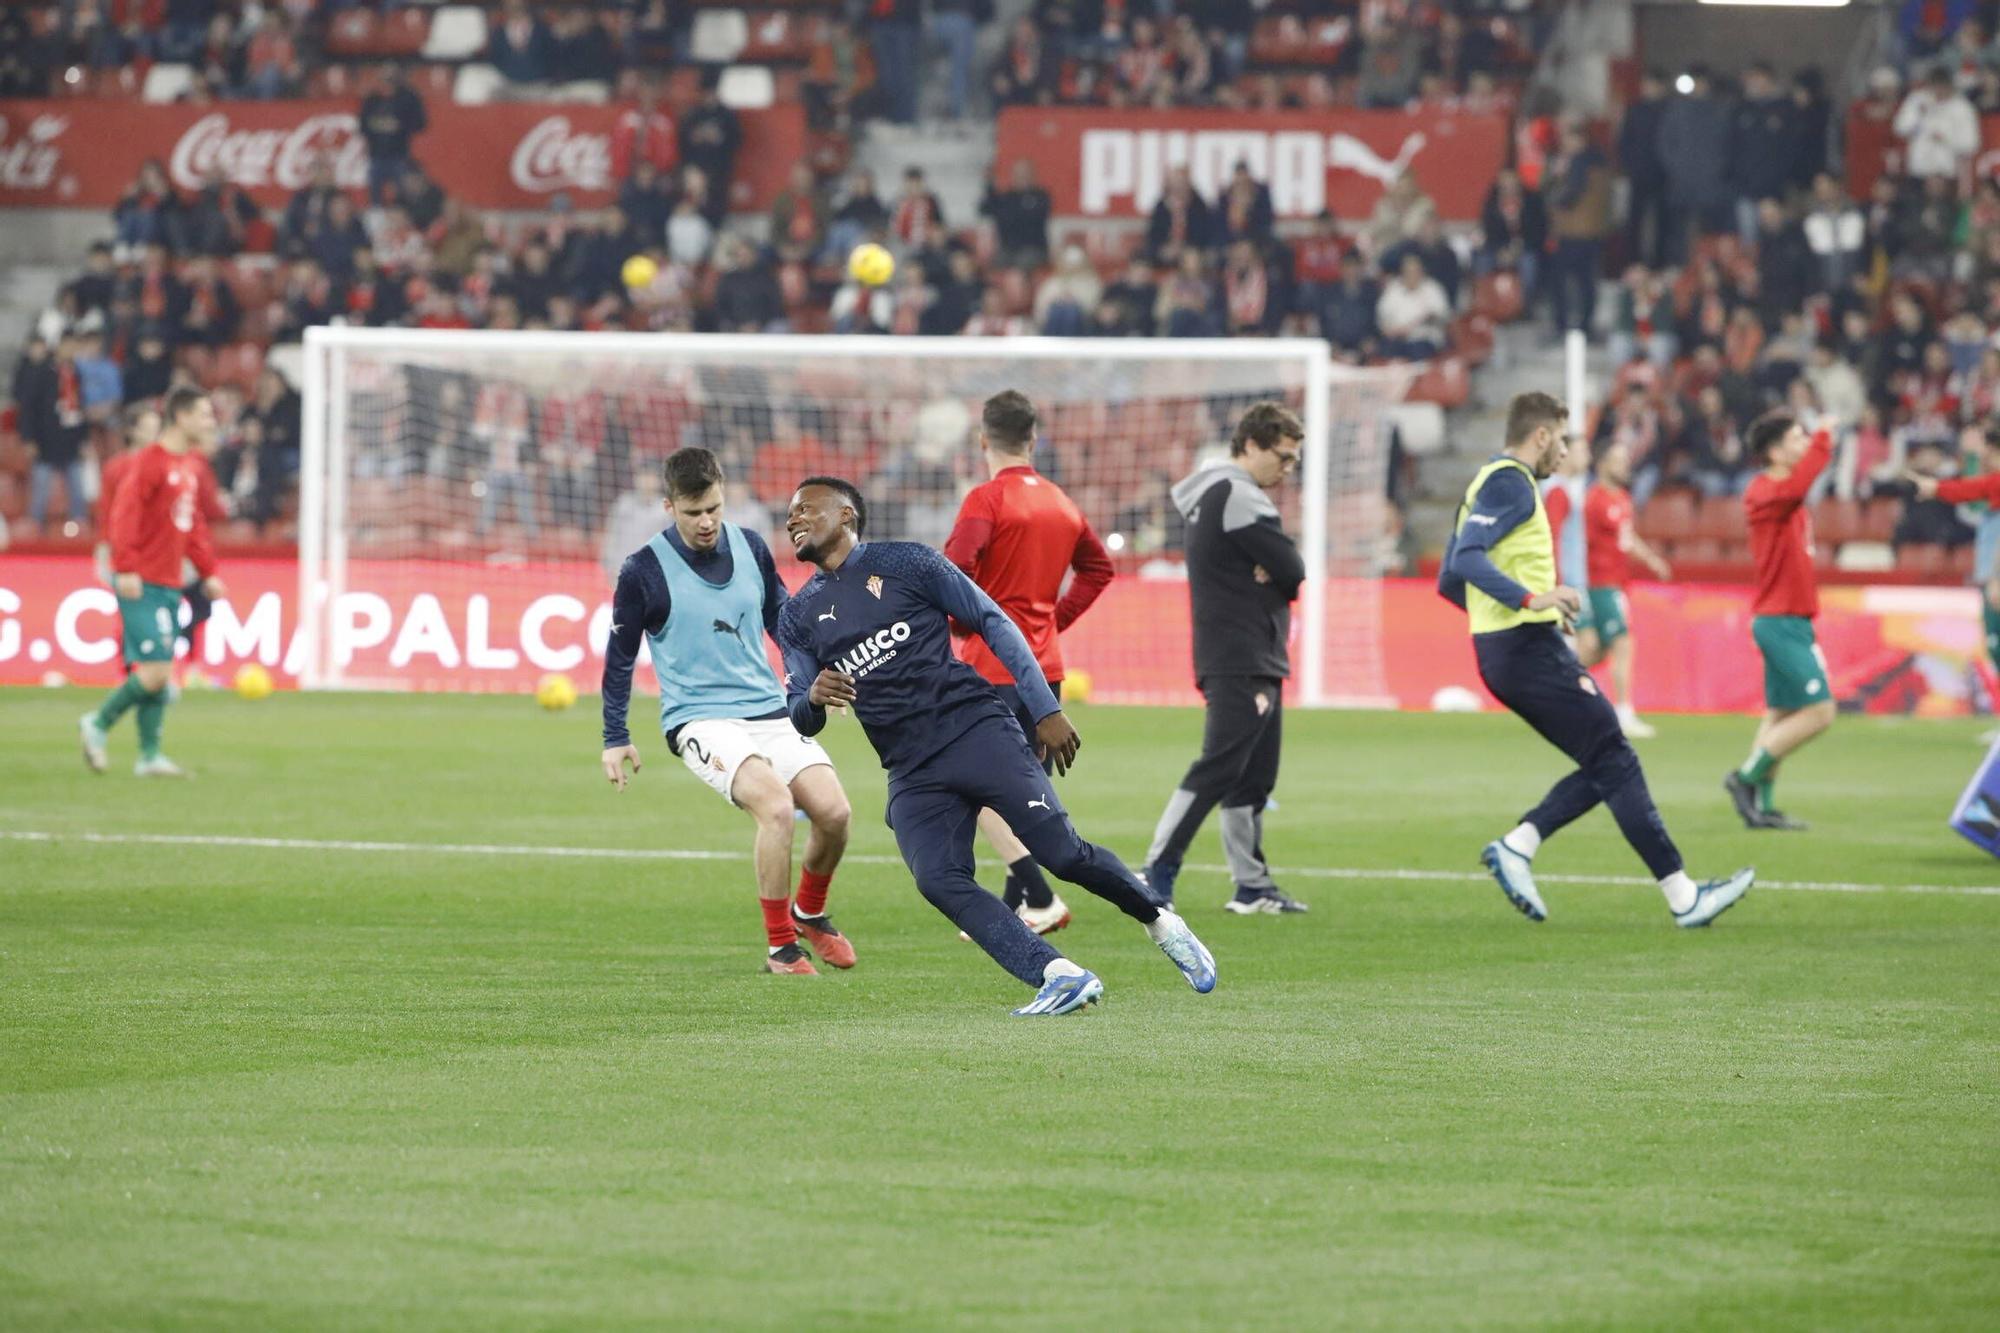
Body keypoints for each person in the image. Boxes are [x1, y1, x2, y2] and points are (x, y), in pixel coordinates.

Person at [775, 477, 1215, 1017]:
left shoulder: (908, 562)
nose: (793, 519)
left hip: (976, 730)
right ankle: (1057, 974)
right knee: (937, 879)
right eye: (789, 513)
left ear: (846, 514)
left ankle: (1160, 921)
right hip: (912, 769)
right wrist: (815, 696)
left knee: (1062, 856)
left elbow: (991, 620)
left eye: (805, 509)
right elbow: (800, 712)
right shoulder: (797, 615)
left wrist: (1044, 708)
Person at [1440, 391, 1752, 927]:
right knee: (1617, 758)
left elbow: (1450, 577)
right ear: (1539, 436)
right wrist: (1530, 601)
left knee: (1607, 760)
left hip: (1510, 648)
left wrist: (1522, 610)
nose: (1563, 452)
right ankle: (1682, 896)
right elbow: (1466, 561)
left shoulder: (1488, 482)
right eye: (1560, 439)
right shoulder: (1511, 483)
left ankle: (1519, 846)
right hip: (1524, 650)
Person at [600, 448, 858, 976]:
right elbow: (620, 658)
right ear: (670, 506)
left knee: (834, 814)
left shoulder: (751, 546)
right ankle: (782, 948)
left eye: (714, 507)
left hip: (768, 709)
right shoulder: (643, 571)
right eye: (694, 512)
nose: (707, 521)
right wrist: (615, 735)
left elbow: (783, 623)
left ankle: (809, 912)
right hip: (700, 719)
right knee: (778, 808)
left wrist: (814, 681)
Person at [942, 391, 1115, 936]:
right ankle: (1022, 904)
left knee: (977, 784)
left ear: (983, 439)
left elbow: (952, 572)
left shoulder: (986, 500)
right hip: (1045, 669)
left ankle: (1039, 896)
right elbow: (1099, 569)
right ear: (1034, 439)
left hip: (991, 666)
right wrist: (1053, 620)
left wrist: (963, 625)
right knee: (1026, 788)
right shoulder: (1062, 502)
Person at [1141, 403, 1309, 915]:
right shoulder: (1237, 492)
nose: (1287, 469)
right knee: (1219, 767)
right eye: (1282, 457)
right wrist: (1274, 568)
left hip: (1246, 651)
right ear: (1251, 445)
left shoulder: (1213, 493)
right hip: (1241, 652)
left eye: (1294, 461)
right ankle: (1156, 870)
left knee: (1251, 776)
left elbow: (1279, 569)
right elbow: (1292, 569)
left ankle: (1252, 886)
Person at [80, 386, 227, 779]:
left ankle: (149, 756)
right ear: (180, 417)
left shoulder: (187, 467)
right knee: (157, 671)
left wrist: (208, 571)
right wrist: (124, 566)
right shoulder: (149, 463)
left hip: (168, 578)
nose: (210, 423)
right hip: (140, 578)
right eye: (204, 415)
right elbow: (123, 515)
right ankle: (98, 722)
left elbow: (191, 524)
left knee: (159, 670)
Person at [1727, 412, 1837, 831]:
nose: (1806, 443)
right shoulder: (1765, 490)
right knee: (1820, 712)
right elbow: (1799, 484)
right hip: (1780, 619)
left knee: (1781, 714)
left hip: (1790, 617)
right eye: (1798, 438)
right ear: (1774, 451)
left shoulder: (1781, 493)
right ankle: (1744, 778)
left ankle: (1762, 804)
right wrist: (1825, 438)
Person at [1572, 439, 1672, 739]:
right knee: (1623, 642)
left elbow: (1626, 540)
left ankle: (1550, 686)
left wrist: (1652, 560)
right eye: (1617, 460)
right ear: (1602, 466)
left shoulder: (1623, 499)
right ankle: (1624, 711)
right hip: (1600, 584)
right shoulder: (1594, 500)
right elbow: (1579, 545)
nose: (1624, 465)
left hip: (1618, 583)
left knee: (1597, 651)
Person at [358, 65, 428, 205]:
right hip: (376, 155)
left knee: (404, 195)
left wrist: (399, 125)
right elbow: (362, 125)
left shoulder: (408, 98)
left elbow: (420, 123)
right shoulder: (372, 99)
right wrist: (377, 125)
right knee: (375, 198)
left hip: (399, 155)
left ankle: (406, 217)